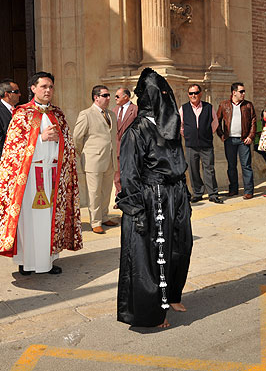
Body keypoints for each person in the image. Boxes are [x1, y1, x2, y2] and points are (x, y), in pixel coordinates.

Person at [0, 72, 83, 275]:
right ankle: (26, 261)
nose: (48, 90)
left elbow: (68, 144)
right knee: (29, 220)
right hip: (30, 176)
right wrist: (40, 137)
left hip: (52, 175)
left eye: (51, 87)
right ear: (33, 88)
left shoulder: (57, 114)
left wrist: (59, 141)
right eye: (43, 86)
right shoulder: (22, 114)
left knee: (50, 218)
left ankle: (48, 260)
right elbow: (12, 148)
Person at [116, 67, 192, 328]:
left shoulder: (168, 127)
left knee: (180, 247)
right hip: (151, 199)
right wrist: (136, 210)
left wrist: (185, 196)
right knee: (153, 255)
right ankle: (152, 312)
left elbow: (177, 161)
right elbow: (129, 173)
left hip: (176, 195)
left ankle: (171, 296)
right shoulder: (136, 131)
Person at [73, 85, 118, 234]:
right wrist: (84, 153)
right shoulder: (86, 114)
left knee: (106, 191)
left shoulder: (111, 114)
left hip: (110, 159)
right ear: (96, 97)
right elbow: (77, 138)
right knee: (94, 193)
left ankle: (104, 216)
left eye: (109, 95)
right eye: (105, 95)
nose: (108, 98)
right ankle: (95, 221)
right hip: (93, 160)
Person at [179, 84, 223, 204]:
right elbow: (180, 125)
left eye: (196, 93)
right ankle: (197, 193)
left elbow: (215, 122)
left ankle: (213, 194)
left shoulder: (209, 107)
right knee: (193, 170)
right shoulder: (183, 108)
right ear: (188, 94)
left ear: (200, 93)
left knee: (209, 169)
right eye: (191, 93)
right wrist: (188, 135)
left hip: (206, 144)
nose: (193, 95)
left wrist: (207, 134)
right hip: (191, 145)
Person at [216, 82, 256, 199]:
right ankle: (233, 189)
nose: (243, 93)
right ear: (234, 92)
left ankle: (248, 191)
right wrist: (221, 135)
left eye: (244, 91)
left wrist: (251, 136)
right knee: (231, 166)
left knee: (246, 166)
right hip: (229, 140)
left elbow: (253, 122)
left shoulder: (248, 105)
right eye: (241, 91)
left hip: (244, 140)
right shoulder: (224, 105)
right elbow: (217, 121)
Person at [0, 79, 21, 167]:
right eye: (16, 92)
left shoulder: (20, 111)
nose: (19, 94)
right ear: (7, 94)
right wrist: (16, 150)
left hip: (22, 159)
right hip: (6, 159)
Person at [112, 87, 138, 197]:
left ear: (126, 97)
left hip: (130, 147)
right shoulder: (114, 110)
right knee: (117, 175)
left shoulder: (136, 109)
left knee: (130, 174)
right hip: (117, 148)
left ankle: (132, 196)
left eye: (117, 96)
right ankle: (119, 197)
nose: (115, 98)